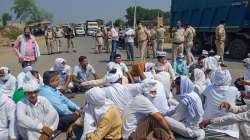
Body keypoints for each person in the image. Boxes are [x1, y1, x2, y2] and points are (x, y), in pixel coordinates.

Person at [39, 71, 82, 138]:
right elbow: (60, 109)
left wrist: (78, 109)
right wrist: (74, 113)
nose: (59, 81)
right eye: (57, 79)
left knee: (80, 113)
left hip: (59, 114)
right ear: (51, 82)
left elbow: (65, 100)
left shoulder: (53, 89)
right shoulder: (47, 92)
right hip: (52, 120)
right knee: (76, 117)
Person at [202, 69, 240, 138]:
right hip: (229, 126)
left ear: (215, 77)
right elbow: (239, 96)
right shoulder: (233, 90)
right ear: (228, 78)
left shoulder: (209, 89)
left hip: (209, 124)